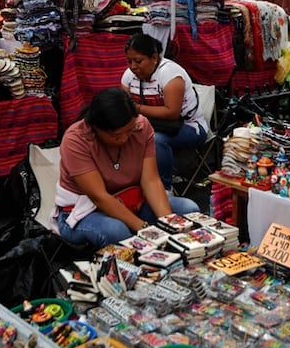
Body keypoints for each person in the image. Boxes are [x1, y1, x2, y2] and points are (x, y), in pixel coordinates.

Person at [54, 88, 199, 247]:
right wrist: (145, 230)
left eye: (129, 131)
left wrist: (169, 223)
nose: (124, 138)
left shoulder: (140, 126)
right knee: (117, 231)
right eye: (116, 136)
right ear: (96, 128)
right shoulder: (76, 140)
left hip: (133, 203)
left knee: (188, 210)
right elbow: (99, 197)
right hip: (86, 212)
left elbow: (151, 181)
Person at [121, 34, 209, 190]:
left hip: (189, 127)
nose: (133, 66)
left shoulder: (170, 75)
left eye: (138, 61)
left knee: (156, 140)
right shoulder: (129, 76)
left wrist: (137, 108)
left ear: (154, 58)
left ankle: (164, 189)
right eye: (129, 61)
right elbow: (125, 108)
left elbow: (171, 112)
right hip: (150, 125)